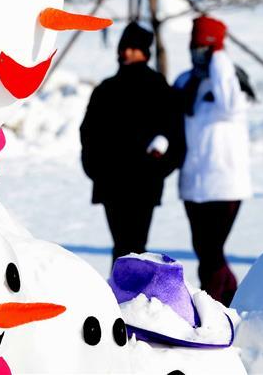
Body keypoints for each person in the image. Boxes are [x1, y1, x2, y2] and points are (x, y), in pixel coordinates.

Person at [80, 22, 186, 262]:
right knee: (121, 246)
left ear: (145, 52)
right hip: (111, 181)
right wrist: (94, 168)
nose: (126, 52)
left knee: (135, 246)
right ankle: (120, 297)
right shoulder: (106, 89)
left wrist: (159, 169)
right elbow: (88, 132)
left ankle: (130, 297)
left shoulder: (159, 87)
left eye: (133, 48)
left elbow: (175, 134)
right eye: (123, 47)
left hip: (143, 183)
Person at [173, 15, 251, 307]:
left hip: (226, 183)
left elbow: (230, 106)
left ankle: (213, 308)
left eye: (204, 47)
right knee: (205, 252)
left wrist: (219, 61)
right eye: (194, 46)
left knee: (211, 252)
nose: (198, 53)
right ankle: (235, 299)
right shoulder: (185, 81)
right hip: (193, 183)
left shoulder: (233, 82)